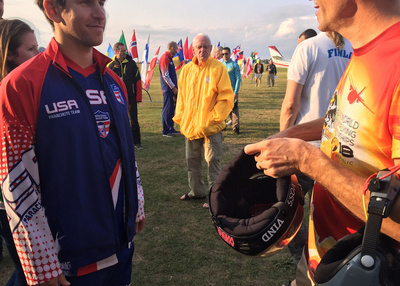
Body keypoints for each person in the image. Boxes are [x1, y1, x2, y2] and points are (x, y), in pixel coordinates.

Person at [245, 0, 400, 285]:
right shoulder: (365, 51)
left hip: (367, 270)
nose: (313, 1)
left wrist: (305, 159)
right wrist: (285, 137)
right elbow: (347, 120)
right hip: (327, 261)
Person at [0, 1, 145, 285]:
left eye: (101, 2)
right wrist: (40, 263)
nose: (99, 12)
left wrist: (136, 199)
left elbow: (124, 148)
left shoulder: (114, 80)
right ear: (53, 9)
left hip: (122, 248)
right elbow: (15, 181)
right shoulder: (20, 85)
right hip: (67, 263)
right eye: (86, 2)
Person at [280, 30, 352, 268]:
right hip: (343, 149)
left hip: (305, 148)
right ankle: (333, 267)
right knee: (333, 220)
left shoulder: (307, 48)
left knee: (290, 211)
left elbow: (291, 104)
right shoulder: (355, 48)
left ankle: (302, 264)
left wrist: (282, 139)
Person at [174, 33, 234, 207]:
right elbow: (182, 98)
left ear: (211, 48)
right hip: (191, 126)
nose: (202, 50)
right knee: (192, 161)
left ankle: (214, 196)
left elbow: (226, 97)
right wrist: (181, 118)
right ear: (193, 49)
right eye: (199, 47)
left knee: (212, 162)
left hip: (211, 127)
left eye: (206, 46)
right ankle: (196, 191)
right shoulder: (186, 70)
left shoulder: (218, 68)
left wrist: (214, 119)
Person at [0, 18, 37, 286]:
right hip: (13, 205)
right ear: (11, 54)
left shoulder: (26, 87)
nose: (39, 55)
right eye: (31, 50)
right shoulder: (8, 95)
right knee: (31, 274)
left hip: (25, 200)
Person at [108, 42, 144, 149]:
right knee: (118, 120)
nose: (124, 53)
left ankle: (137, 142)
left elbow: (138, 81)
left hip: (131, 96)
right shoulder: (111, 66)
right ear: (116, 51)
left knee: (133, 120)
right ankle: (121, 141)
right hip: (116, 99)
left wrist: (138, 97)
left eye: (125, 51)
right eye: (122, 51)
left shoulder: (131, 64)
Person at [159, 41, 179, 137]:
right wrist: (173, 88)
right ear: (171, 48)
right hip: (168, 89)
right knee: (167, 109)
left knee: (171, 109)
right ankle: (166, 130)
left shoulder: (170, 58)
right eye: (176, 48)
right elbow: (165, 75)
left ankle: (171, 128)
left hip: (171, 89)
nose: (177, 50)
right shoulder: (164, 58)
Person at [222, 46, 241, 135]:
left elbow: (238, 79)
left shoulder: (234, 65)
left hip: (232, 92)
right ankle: (222, 126)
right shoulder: (221, 65)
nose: (225, 55)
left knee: (234, 110)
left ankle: (235, 127)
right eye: (223, 54)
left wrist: (236, 92)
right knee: (223, 109)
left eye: (226, 54)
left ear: (230, 54)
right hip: (223, 92)